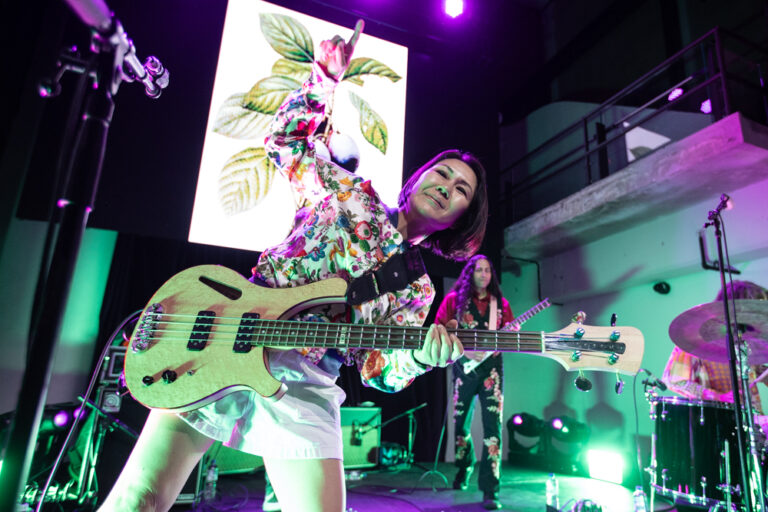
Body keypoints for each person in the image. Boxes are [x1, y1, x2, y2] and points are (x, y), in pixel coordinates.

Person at [97, 22, 489, 512]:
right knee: (140, 497)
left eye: (461, 189)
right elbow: (284, 141)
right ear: (419, 177)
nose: (446, 186)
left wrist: (421, 357)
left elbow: (378, 369)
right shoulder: (349, 191)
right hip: (228, 332)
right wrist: (324, 77)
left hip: (306, 379)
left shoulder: (419, 290)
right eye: (442, 172)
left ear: (461, 219)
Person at [434, 255, 514, 510]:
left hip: (492, 372)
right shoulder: (454, 300)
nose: (484, 274)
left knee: (493, 430)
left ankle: (491, 490)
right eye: (479, 269)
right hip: (464, 369)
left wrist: (512, 334)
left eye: (488, 270)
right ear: (470, 273)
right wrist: (465, 351)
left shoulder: (500, 304)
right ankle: (465, 465)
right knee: (460, 427)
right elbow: (438, 329)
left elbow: (510, 337)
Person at [662, 280, 768, 411]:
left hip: (752, 416)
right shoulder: (694, 341)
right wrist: (719, 397)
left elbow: (756, 371)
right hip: (716, 417)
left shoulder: (748, 340)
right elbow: (674, 380)